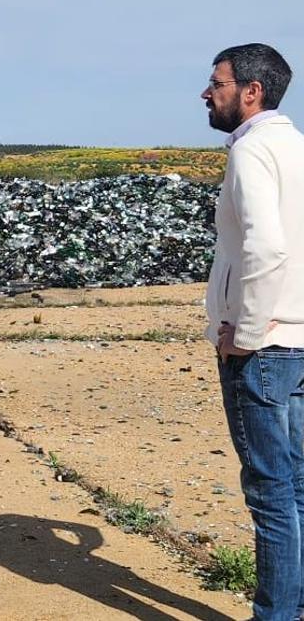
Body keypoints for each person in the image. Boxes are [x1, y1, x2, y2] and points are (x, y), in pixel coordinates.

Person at [202, 42, 304, 620]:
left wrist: (244, 329)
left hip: (264, 347)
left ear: (251, 91)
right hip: (300, 337)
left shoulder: (252, 152)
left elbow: (266, 246)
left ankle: (276, 614)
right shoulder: (297, 147)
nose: (206, 93)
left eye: (216, 83)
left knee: (270, 492)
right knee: (299, 489)